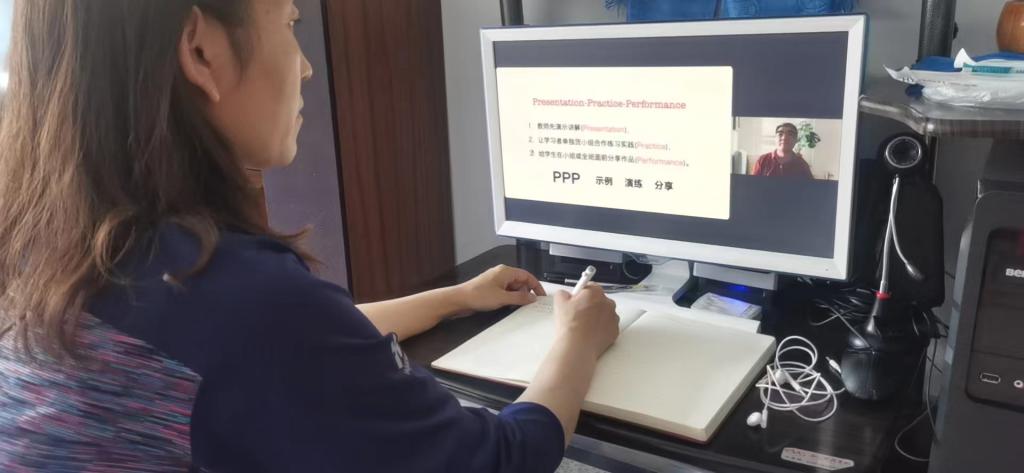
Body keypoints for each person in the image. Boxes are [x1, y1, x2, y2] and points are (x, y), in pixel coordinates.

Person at [0, 1, 620, 472]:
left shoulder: (50, 245)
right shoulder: (241, 300)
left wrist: (454, 299)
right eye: (290, 22)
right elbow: (502, 458)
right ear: (201, 51)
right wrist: (579, 340)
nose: (305, 66)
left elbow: (270, 355)